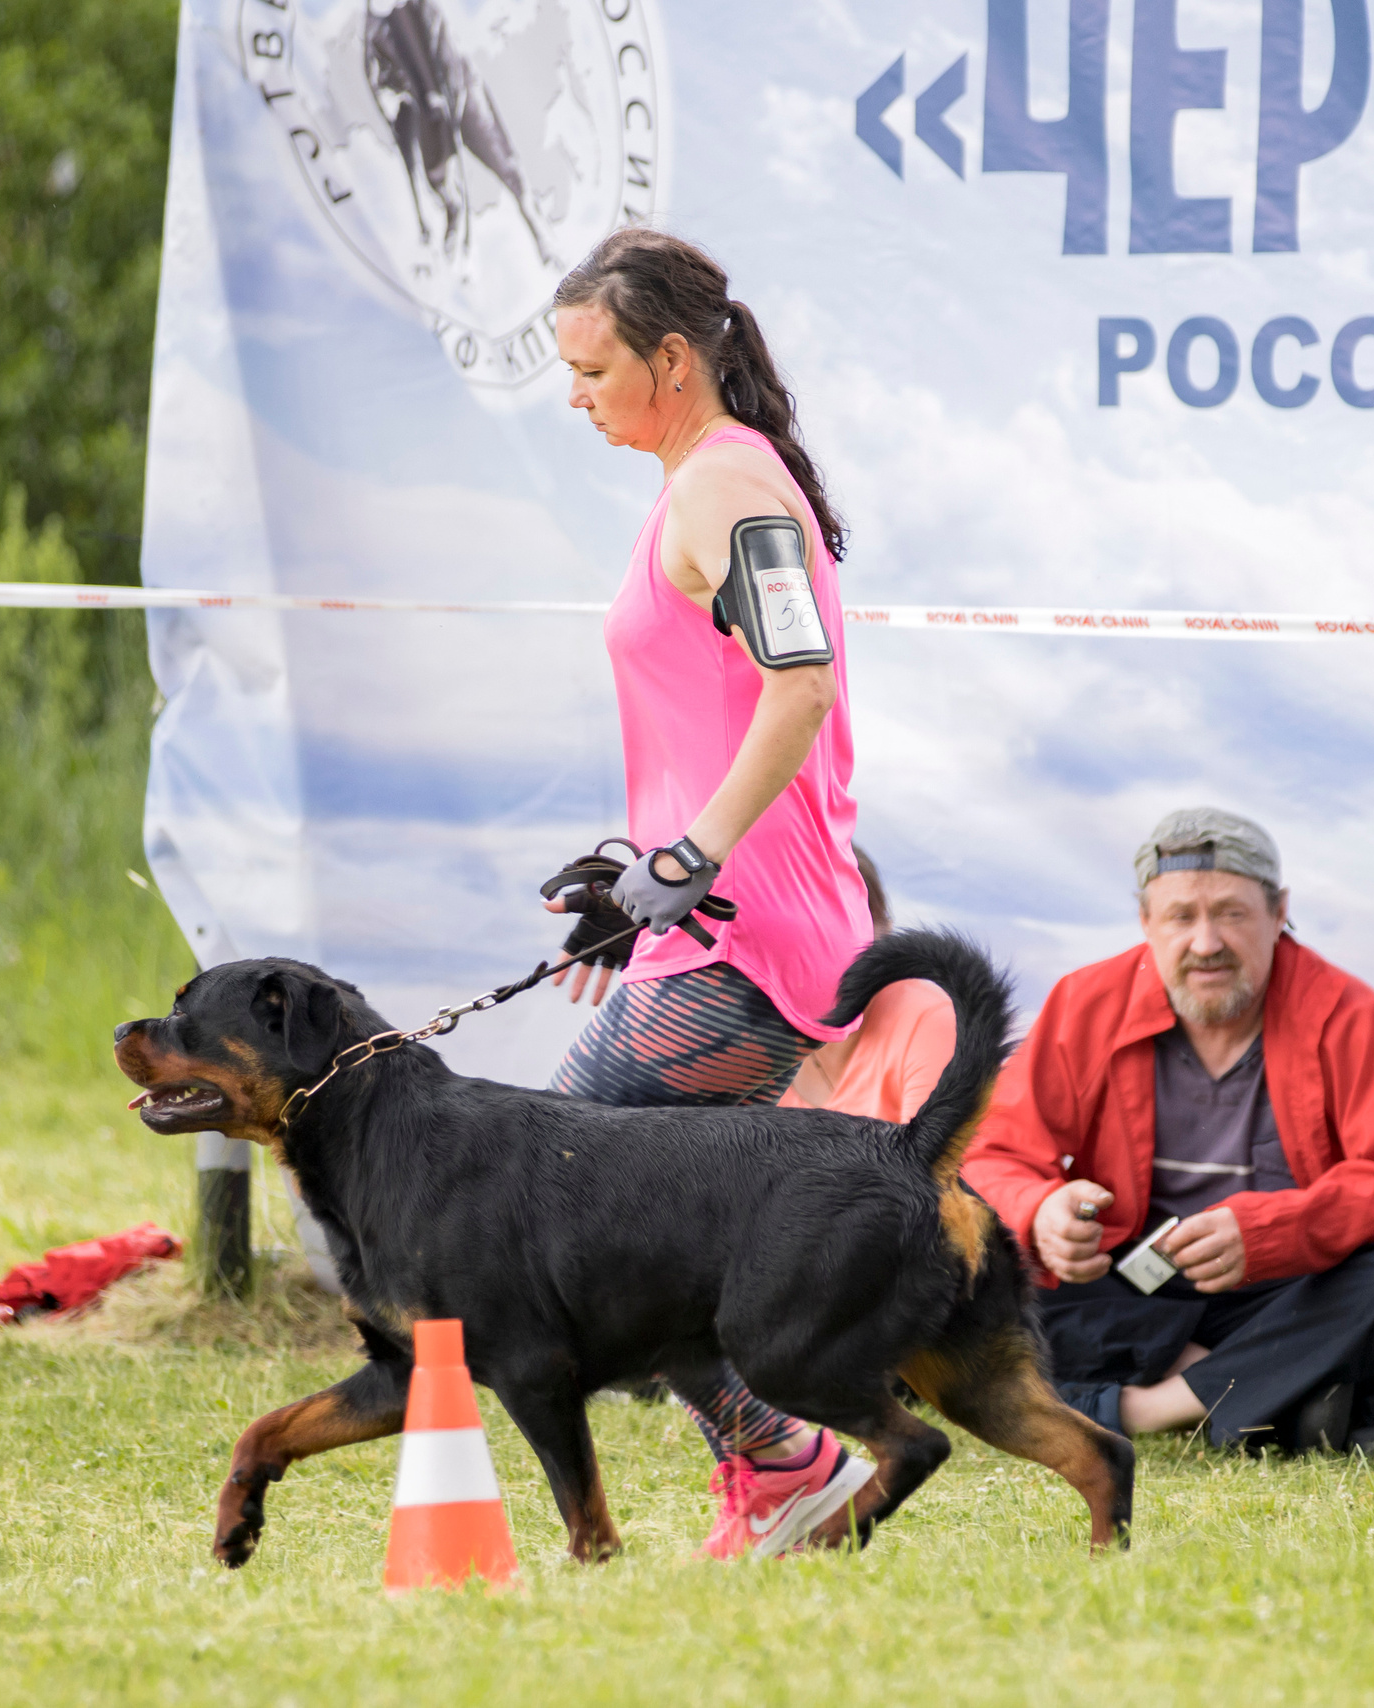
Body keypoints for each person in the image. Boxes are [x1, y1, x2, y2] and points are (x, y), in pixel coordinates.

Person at [541, 228, 876, 1558]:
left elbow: (800, 689)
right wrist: (642, 878)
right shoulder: (708, 481)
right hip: (722, 928)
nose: (577, 395)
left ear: (671, 359)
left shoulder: (728, 490)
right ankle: (781, 1463)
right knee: (603, 1217)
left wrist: (688, 862)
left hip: (760, 935)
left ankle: (790, 1459)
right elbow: (724, 714)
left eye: (593, 367)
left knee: (557, 1196)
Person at [960, 808, 1374, 1453]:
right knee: (958, 1268)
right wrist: (1039, 1211)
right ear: (1146, 921)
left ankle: (1153, 1405)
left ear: (1278, 911)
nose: (1205, 942)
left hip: (1294, 1292)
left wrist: (1275, 1234)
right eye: (1181, 916)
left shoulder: (1345, 1013)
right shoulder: (1086, 1003)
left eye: (1231, 913)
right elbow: (987, 1154)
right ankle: (1281, 1386)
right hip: (1135, 1291)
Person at [779, 847, 955, 1123]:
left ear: (886, 934)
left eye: (849, 922)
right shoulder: (754, 1029)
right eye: (808, 923)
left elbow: (933, 1161)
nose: (826, 945)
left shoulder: (926, 1016)